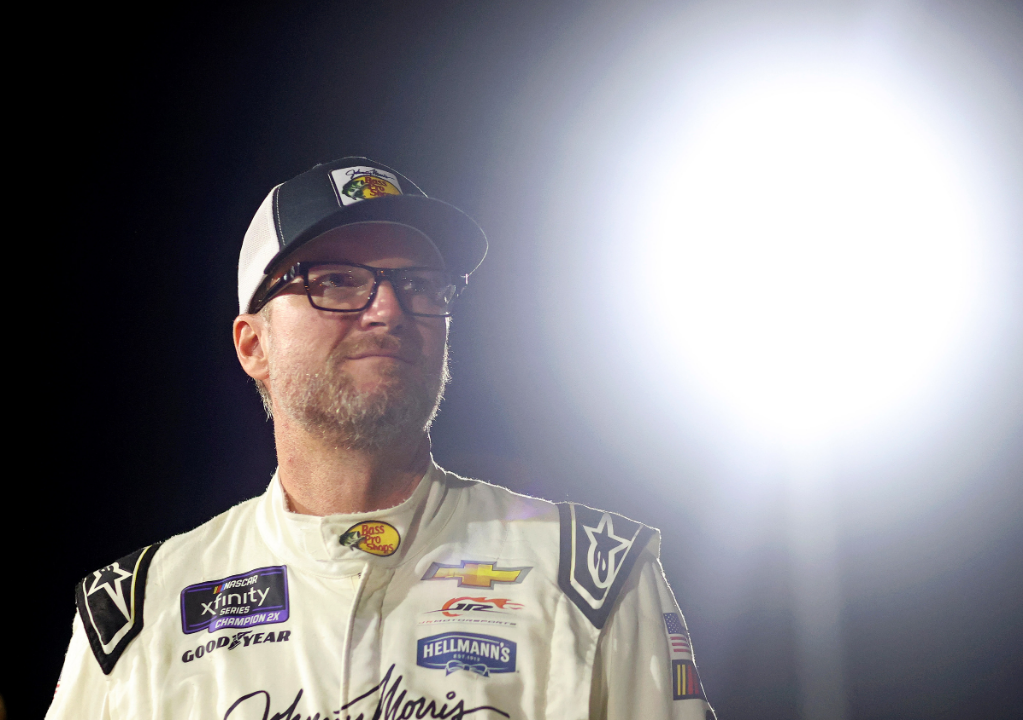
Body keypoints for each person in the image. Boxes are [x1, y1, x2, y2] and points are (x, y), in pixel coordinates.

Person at [48, 158, 714, 720]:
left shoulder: (594, 576)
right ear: (254, 345)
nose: (390, 310)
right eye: (335, 280)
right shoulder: (140, 609)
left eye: (420, 285)